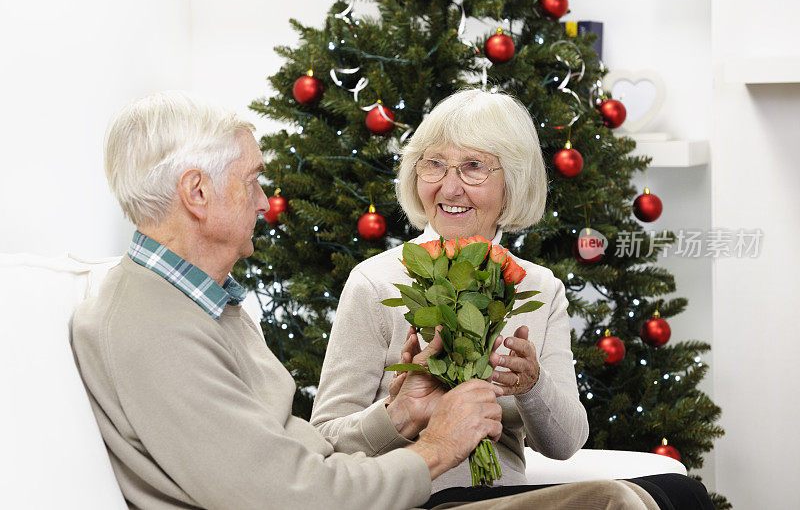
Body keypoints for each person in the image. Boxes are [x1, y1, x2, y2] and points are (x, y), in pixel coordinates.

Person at [70, 90, 657, 510]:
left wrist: (401, 412)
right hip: (402, 497)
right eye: (253, 180)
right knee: (616, 502)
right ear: (197, 193)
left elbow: (295, 453)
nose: (264, 202)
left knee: (669, 494)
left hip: (392, 484)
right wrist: (434, 447)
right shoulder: (156, 329)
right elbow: (289, 494)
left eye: (474, 168)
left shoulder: (202, 303)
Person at [311, 89, 713, 509]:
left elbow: (566, 443)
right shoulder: (375, 283)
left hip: (507, 497)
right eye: (434, 164)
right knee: (613, 499)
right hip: (418, 497)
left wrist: (533, 386)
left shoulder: (539, 287)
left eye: (473, 168)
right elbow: (323, 441)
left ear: (513, 182)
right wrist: (400, 414)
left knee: (685, 493)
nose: (450, 187)